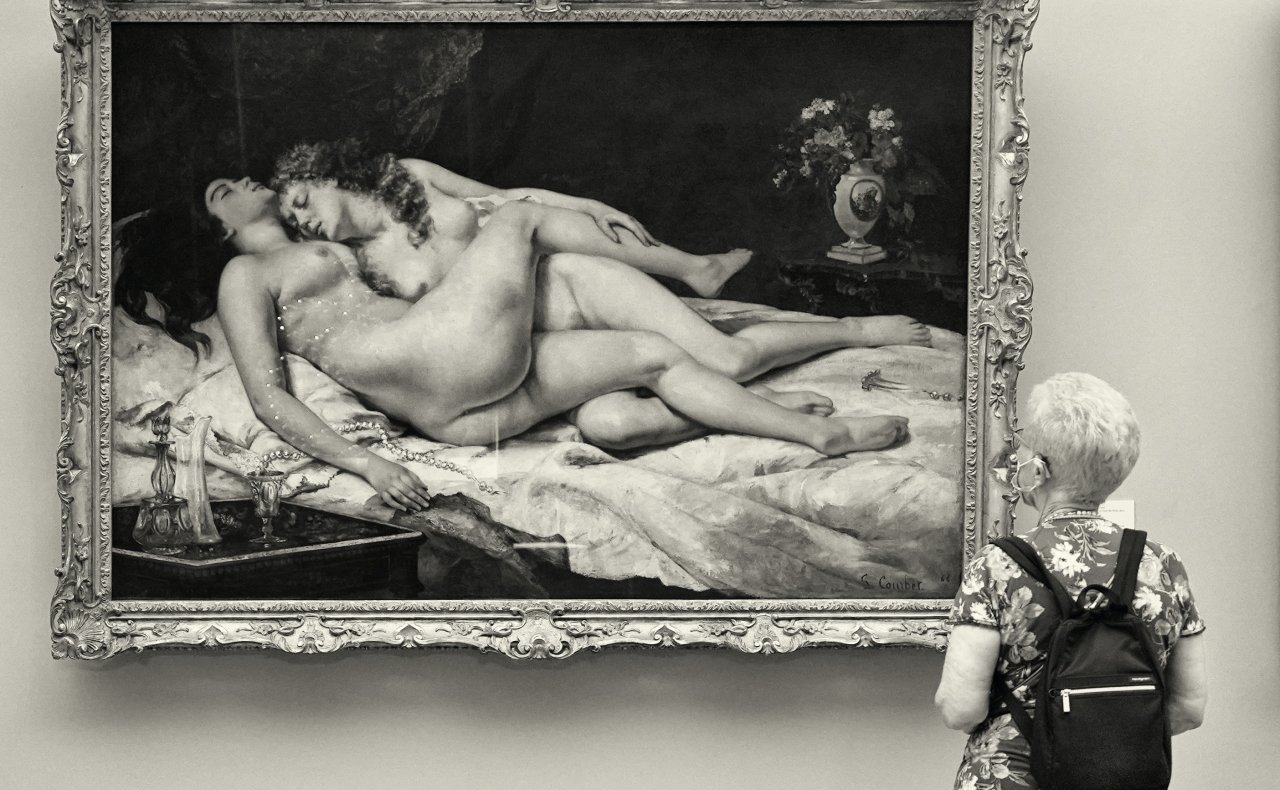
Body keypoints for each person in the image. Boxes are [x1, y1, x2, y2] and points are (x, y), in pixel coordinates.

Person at [204, 176, 925, 512]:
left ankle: (815, 433)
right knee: (518, 220)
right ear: (222, 230)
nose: (238, 179)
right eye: (219, 189)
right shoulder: (243, 274)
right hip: (434, 362)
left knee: (649, 356)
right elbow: (267, 397)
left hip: (455, 403)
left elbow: (449, 242)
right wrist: (363, 461)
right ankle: (690, 268)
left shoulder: (340, 231)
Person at [921, 372, 1207, 790]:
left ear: (1041, 467)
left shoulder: (998, 567)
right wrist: (1102, 735)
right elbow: (1189, 708)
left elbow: (961, 707)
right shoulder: (1162, 566)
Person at [270, 137, 754, 299]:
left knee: (541, 233)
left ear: (325, 175)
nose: (302, 222)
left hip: (543, 265)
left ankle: (696, 268)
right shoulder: (354, 263)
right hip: (501, 318)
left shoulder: (408, 173)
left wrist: (590, 205)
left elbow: (505, 198)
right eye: (293, 223)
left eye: (301, 202)